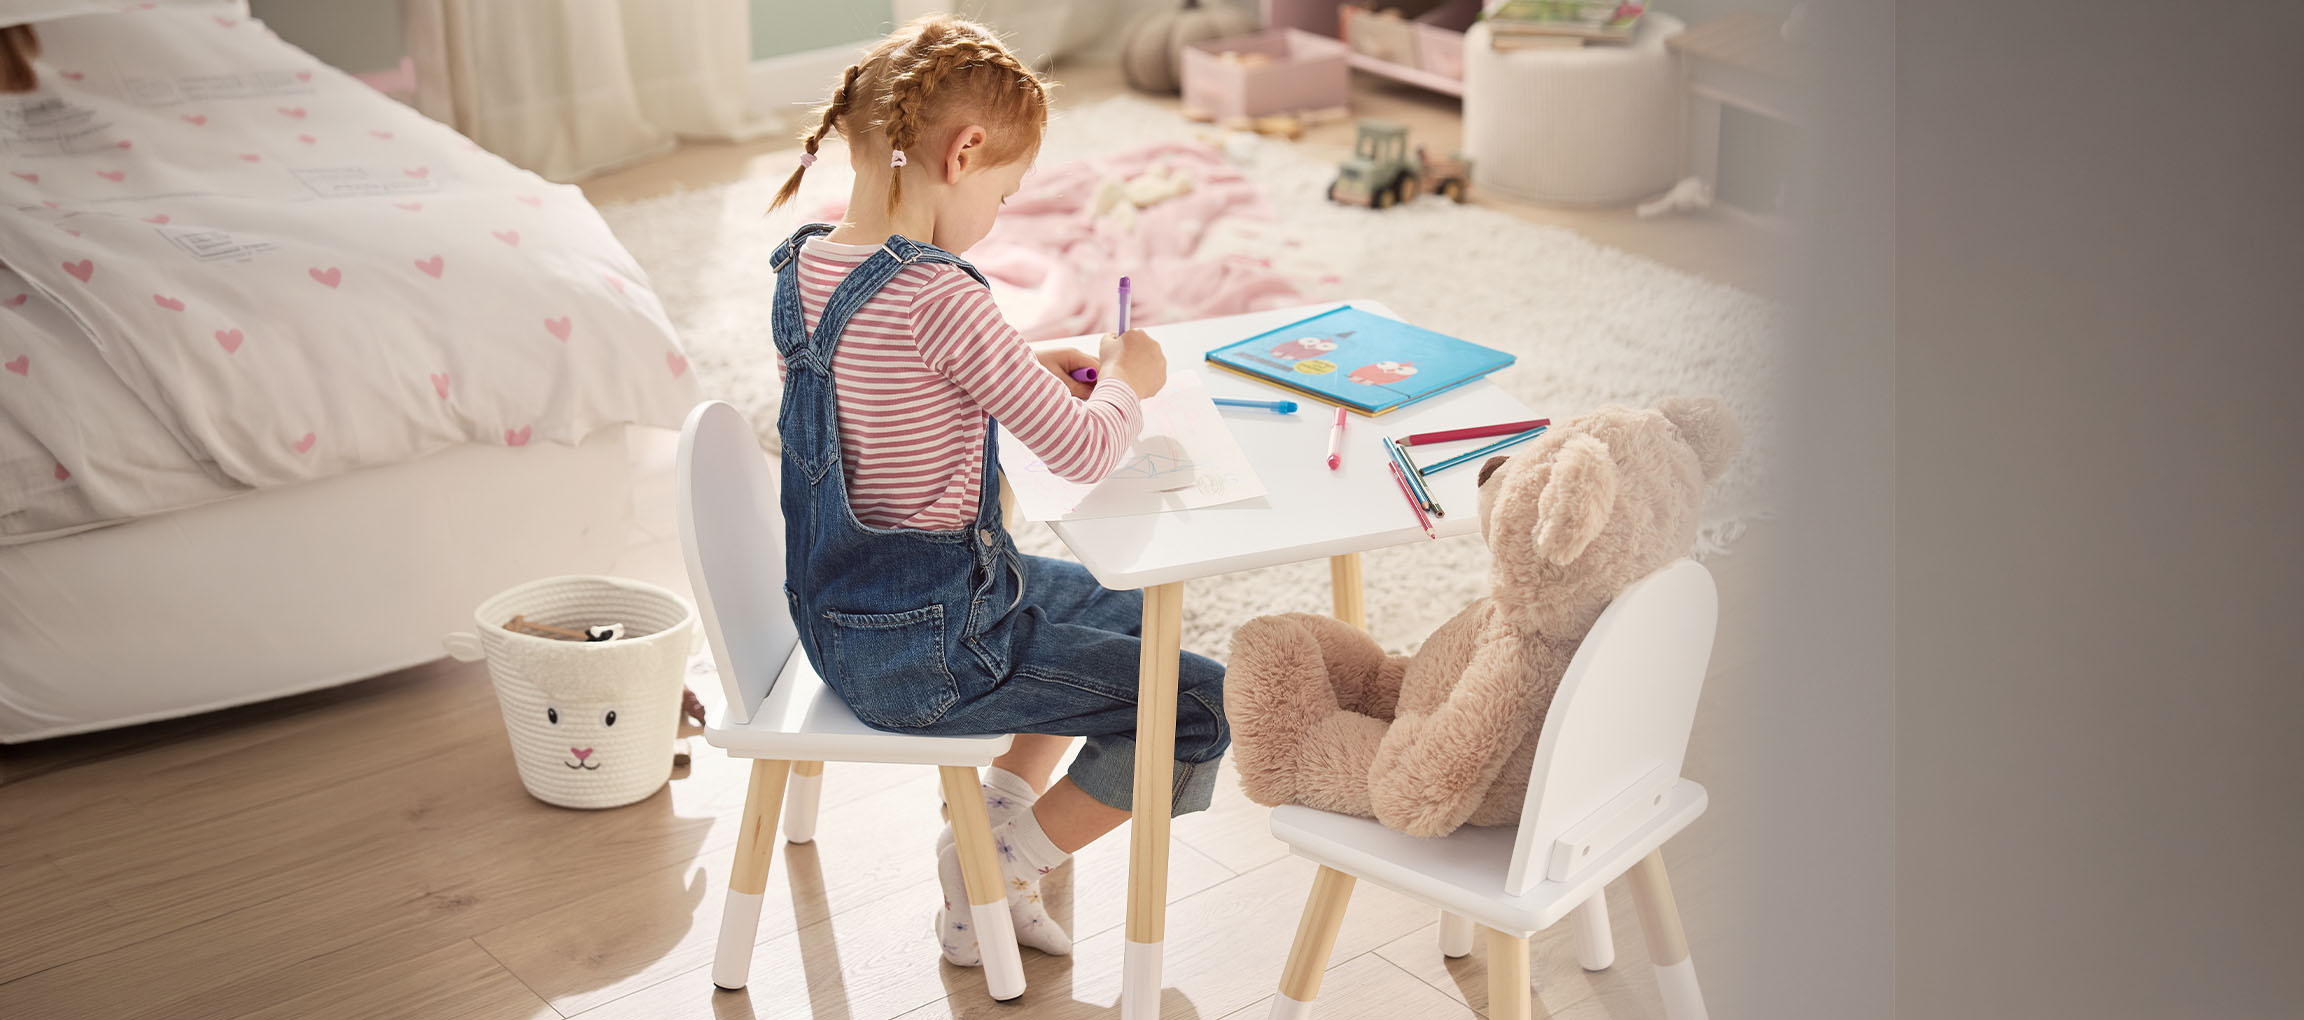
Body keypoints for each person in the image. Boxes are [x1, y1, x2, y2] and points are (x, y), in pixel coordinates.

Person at [764, 15, 1229, 966]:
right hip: (942, 648)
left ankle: (997, 816)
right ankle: (996, 863)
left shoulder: (804, 266)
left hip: (845, 623)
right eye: (1005, 194)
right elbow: (1083, 451)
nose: (1000, 216)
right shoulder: (944, 296)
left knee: (1142, 614)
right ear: (964, 151)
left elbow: (883, 372)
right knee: (1196, 703)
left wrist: (1014, 361)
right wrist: (1131, 382)